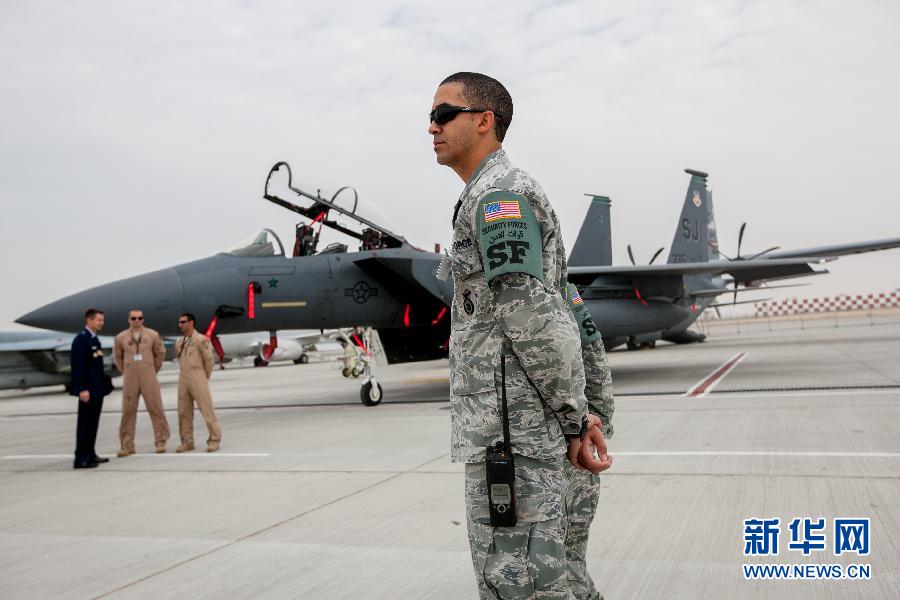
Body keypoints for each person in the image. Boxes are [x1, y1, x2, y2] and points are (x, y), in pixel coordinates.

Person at [429, 71, 612, 599]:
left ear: (484, 121)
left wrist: (576, 418)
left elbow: (533, 316)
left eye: (443, 114)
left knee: (519, 584)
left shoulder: (497, 197)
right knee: (561, 577)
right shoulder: (495, 194)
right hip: (530, 432)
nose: (432, 127)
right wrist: (585, 411)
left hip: (514, 439)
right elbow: (565, 302)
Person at [564, 284, 616, 600]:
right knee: (571, 559)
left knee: (565, 562)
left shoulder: (558, 292)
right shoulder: (563, 291)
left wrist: (587, 430)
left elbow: (593, 356)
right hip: (578, 444)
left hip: (570, 453)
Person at [113, 309, 170, 456]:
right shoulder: (121, 337)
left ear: (143, 319)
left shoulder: (152, 335)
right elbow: (117, 357)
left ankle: (161, 441)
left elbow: (160, 353)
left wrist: (151, 369)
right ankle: (127, 445)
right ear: (129, 320)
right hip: (130, 378)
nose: (137, 320)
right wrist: (126, 370)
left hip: (148, 376)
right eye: (134, 318)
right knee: (128, 410)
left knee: (156, 407)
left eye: (140, 318)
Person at [70, 308, 112, 469]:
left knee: (93, 423)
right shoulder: (81, 339)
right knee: (85, 424)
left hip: (96, 390)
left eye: (103, 320)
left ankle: (90, 454)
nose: (102, 323)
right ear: (89, 320)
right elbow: (78, 366)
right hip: (87, 390)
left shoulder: (94, 339)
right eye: (99, 320)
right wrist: (82, 388)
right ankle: (81, 458)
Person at [174, 313, 221, 452]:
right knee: (183, 412)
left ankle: (214, 439)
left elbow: (209, 360)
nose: (180, 325)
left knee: (207, 410)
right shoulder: (179, 342)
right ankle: (187, 441)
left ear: (191, 323)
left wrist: (203, 377)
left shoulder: (201, 340)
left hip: (198, 375)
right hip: (183, 377)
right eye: (179, 322)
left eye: (183, 322)